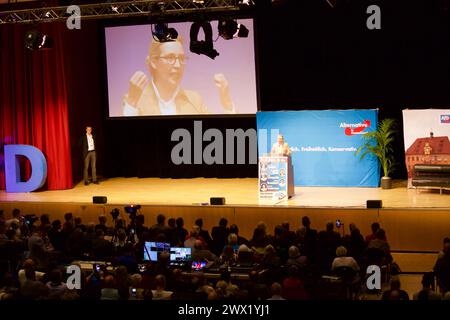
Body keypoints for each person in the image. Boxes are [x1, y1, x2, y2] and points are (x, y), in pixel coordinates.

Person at [122, 36, 236, 116]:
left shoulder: (194, 100)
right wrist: (132, 103)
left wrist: (226, 102)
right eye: (170, 58)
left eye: (181, 58)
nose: (177, 65)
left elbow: (218, 135)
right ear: (153, 61)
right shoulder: (134, 100)